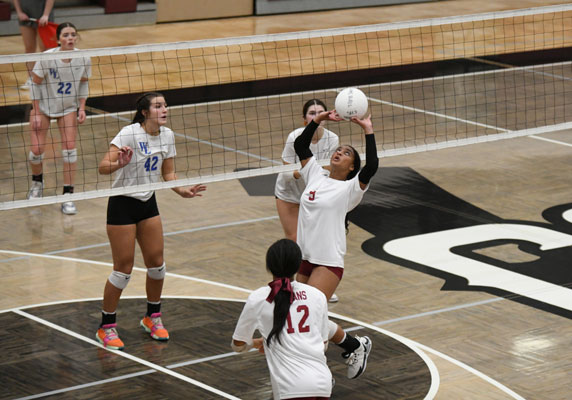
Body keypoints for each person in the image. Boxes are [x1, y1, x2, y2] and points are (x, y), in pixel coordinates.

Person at [96, 92, 207, 350]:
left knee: (157, 266)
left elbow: (168, 173)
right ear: (145, 112)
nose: (164, 109)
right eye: (158, 106)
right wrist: (119, 163)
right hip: (122, 204)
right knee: (122, 270)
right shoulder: (129, 133)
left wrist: (182, 190)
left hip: (148, 203)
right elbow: (102, 167)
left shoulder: (167, 136)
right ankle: (106, 326)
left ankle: (152, 317)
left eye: (165, 105)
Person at [293, 108, 379, 379]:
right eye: (338, 149)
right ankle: (355, 345)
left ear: (352, 167)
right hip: (305, 257)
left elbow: (372, 167)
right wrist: (318, 120)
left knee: (309, 319)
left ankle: (316, 377)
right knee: (303, 315)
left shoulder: (351, 189)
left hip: (327, 261)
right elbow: (301, 145)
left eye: (346, 153)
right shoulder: (315, 174)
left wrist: (368, 130)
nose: (339, 152)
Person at [232, 239, 332, 400]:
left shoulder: (259, 298)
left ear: (269, 266)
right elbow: (323, 344)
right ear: (298, 265)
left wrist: (258, 343)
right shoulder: (317, 295)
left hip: (290, 386)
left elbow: (238, 345)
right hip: (323, 383)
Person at [275, 99, 340, 304]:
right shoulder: (295, 137)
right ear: (304, 118)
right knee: (295, 240)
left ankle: (318, 285)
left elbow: (329, 169)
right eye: (312, 113)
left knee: (314, 241)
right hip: (289, 193)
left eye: (320, 112)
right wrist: (305, 172)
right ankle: (287, 285)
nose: (316, 115)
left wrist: (310, 174)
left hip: (313, 196)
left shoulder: (332, 139)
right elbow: (286, 170)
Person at [27, 22, 91, 215]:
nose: (70, 38)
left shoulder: (84, 58)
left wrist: (81, 107)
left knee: (70, 150)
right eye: (66, 35)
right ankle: (37, 183)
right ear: (58, 40)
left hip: (67, 107)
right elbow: (34, 83)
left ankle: (68, 195)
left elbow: (84, 83)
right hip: (44, 106)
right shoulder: (47, 58)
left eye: (73, 34)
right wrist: (35, 111)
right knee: (36, 151)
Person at [13, 0, 56, 82]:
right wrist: (19, 12)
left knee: (45, 49)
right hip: (25, 15)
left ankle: (46, 77)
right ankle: (31, 78)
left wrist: (46, 15)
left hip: (43, 15)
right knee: (29, 48)